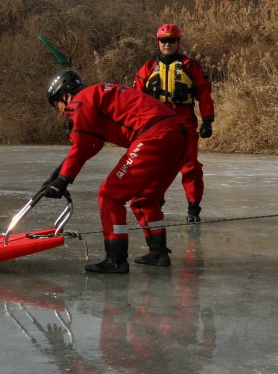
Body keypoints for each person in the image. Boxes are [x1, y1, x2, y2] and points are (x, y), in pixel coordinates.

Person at [41, 71, 189, 273]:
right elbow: (92, 144)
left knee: (109, 194)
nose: (59, 112)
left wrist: (63, 181)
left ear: (66, 95)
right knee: (146, 198)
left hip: (154, 135)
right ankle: (158, 253)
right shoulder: (97, 94)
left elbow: (81, 145)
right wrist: (56, 175)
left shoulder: (79, 102)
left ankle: (116, 261)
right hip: (179, 136)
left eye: (56, 104)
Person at [134, 24, 216, 222]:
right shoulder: (148, 67)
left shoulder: (191, 66)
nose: (167, 44)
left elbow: (204, 95)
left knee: (190, 167)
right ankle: (155, 206)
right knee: (155, 167)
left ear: (178, 42)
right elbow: (135, 100)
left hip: (184, 125)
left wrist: (207, 120)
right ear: (158, 43)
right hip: (156, 126)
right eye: (164, 40)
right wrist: (135, 126)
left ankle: (193, 210)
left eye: (171, 40)